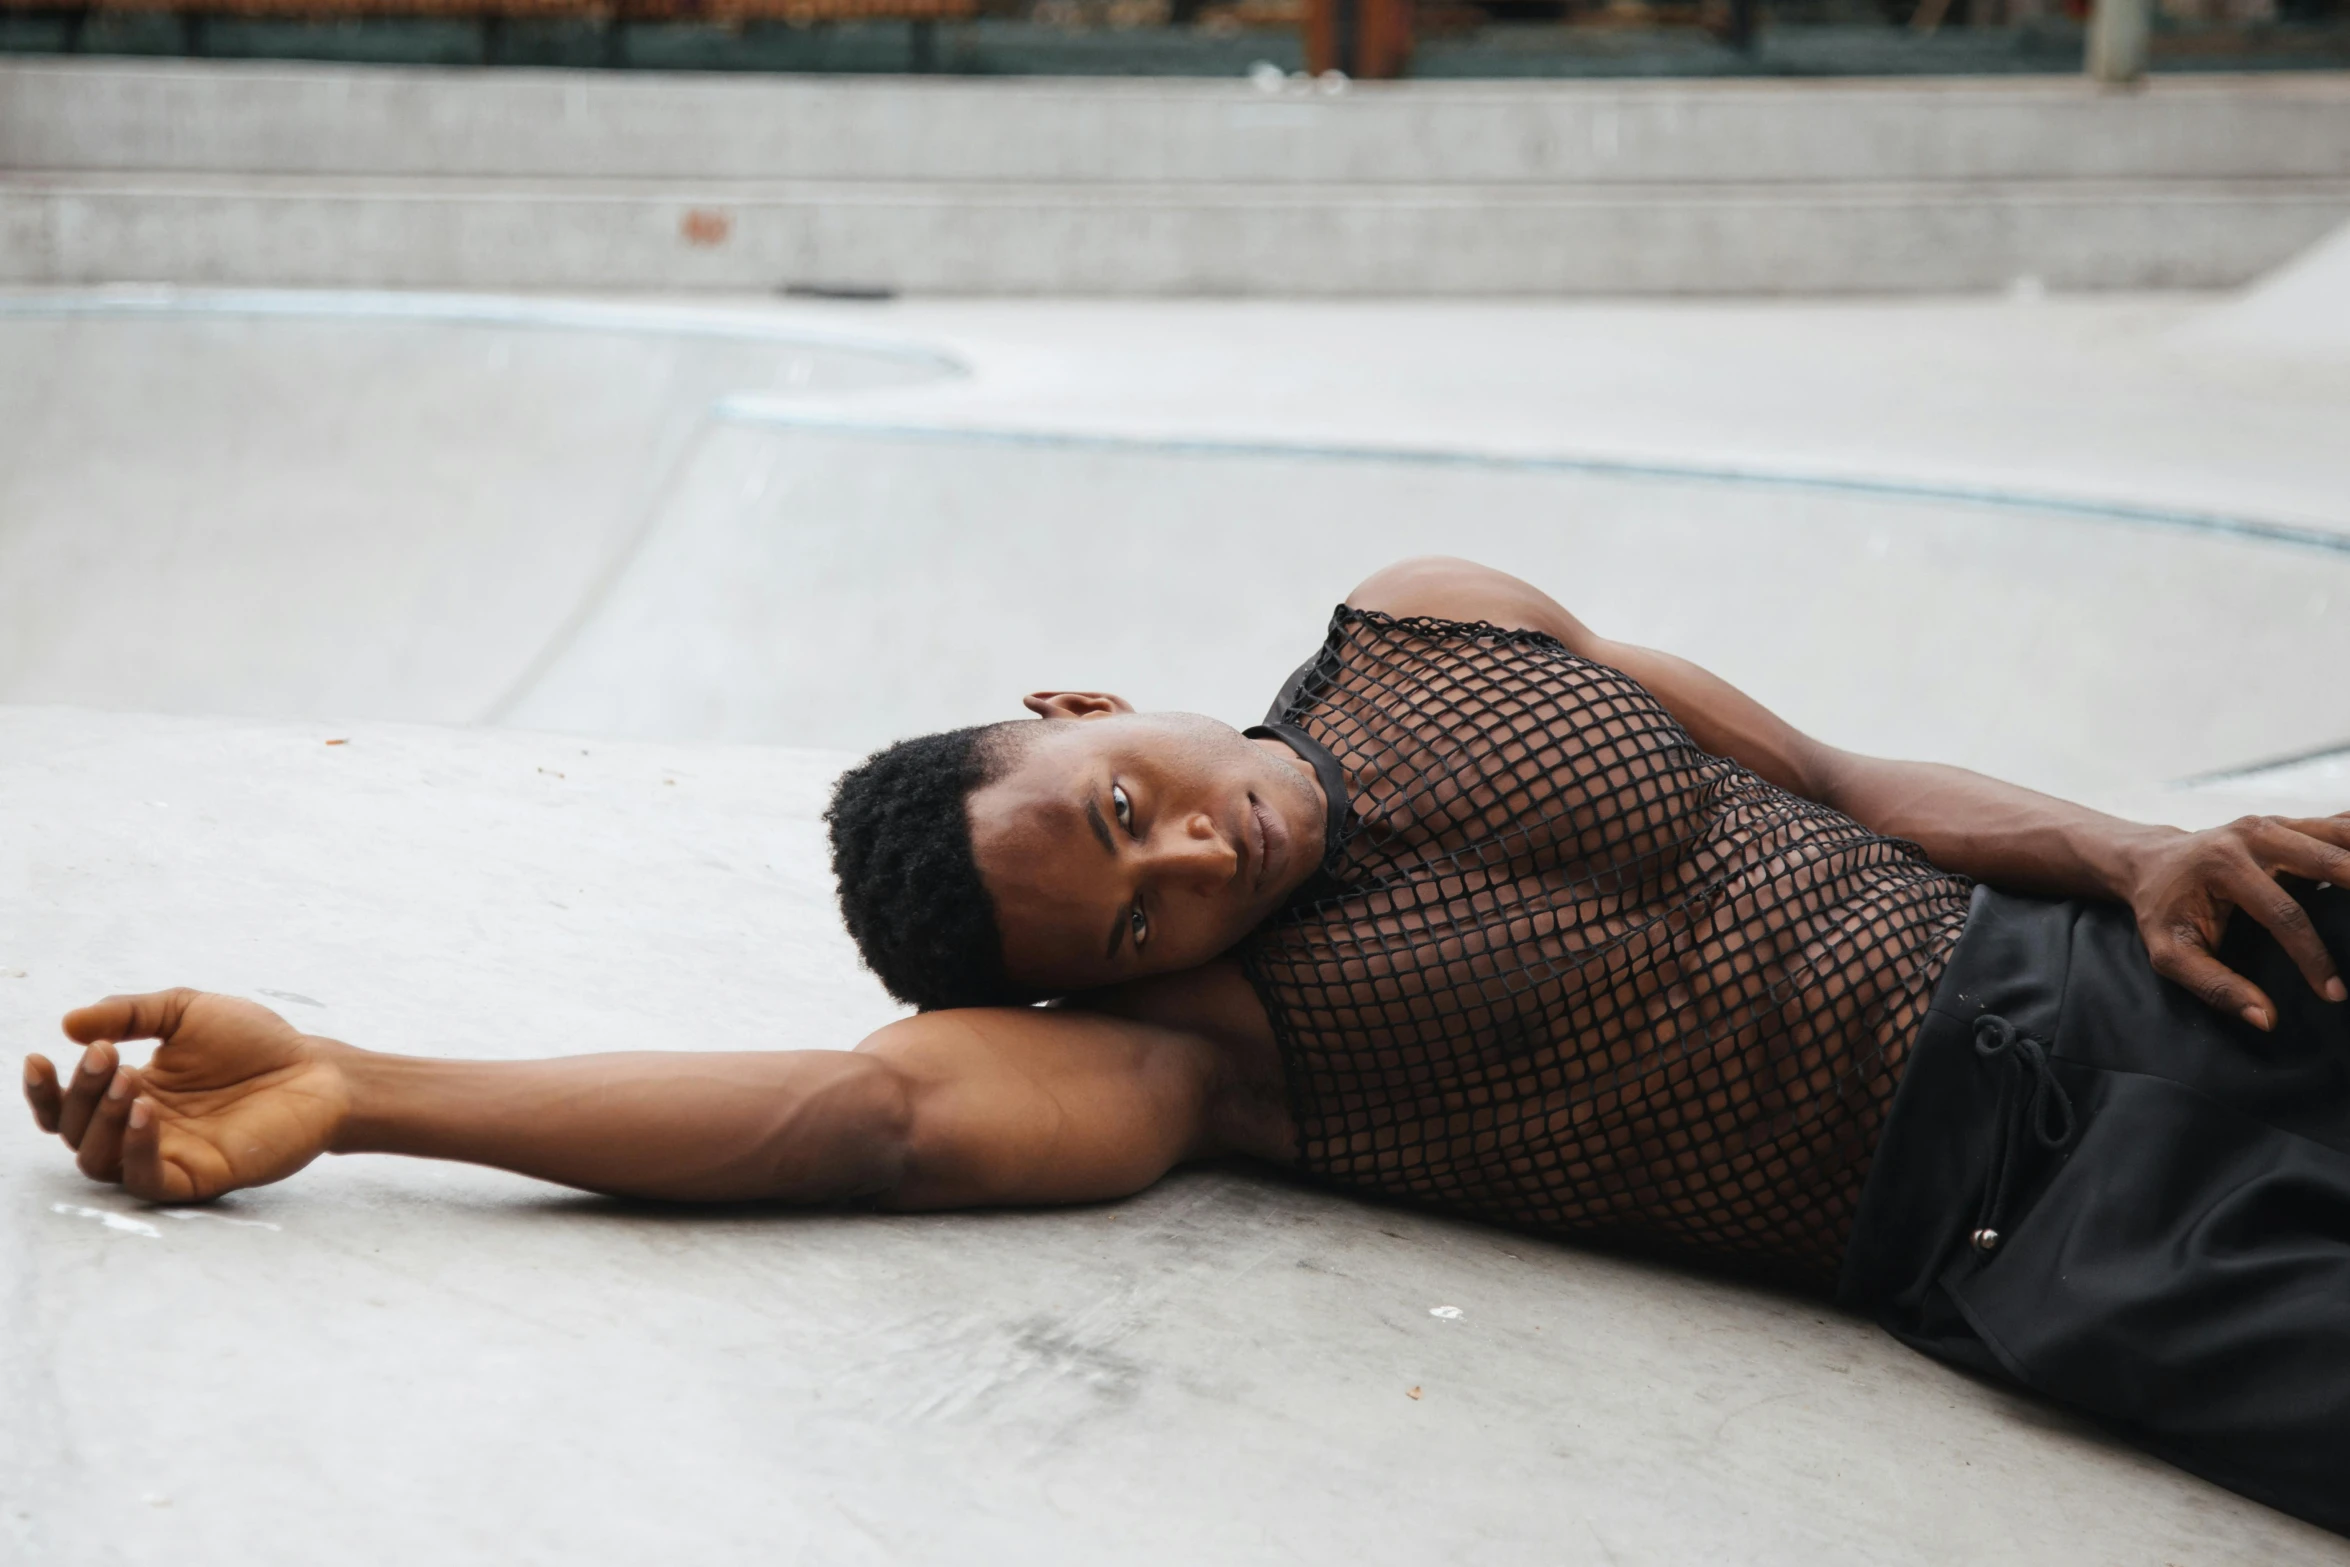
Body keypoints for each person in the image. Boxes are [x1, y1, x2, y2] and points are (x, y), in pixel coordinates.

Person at [22, 556, 2350, 1534]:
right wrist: (366, 1084)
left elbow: (1838, 781)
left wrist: (2124, 844)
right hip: (2033, 1229)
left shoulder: (1438, 622)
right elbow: (871, 1117)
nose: (1183, 867)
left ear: (1073, 702)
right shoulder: (1216, 1053)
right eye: (1124, 919)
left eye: (1121, 809)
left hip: (2128, 961)